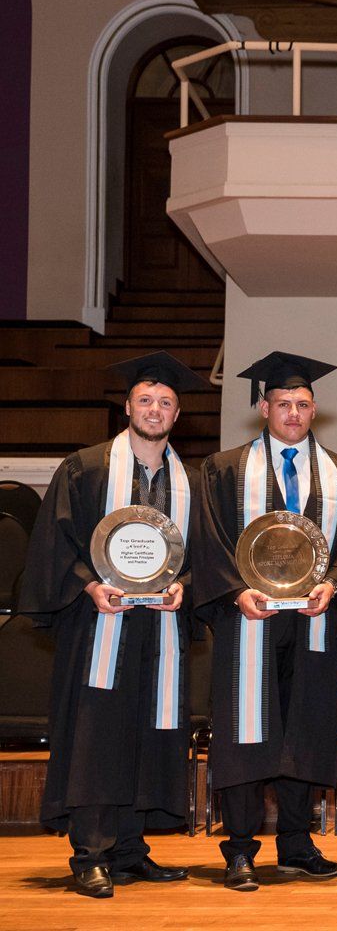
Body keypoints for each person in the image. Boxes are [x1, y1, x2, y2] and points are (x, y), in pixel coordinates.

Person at [18, 353, 207, 898]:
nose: (155, 409)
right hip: (101, 624)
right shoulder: (86, 467)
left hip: (159, 631)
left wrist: (185, 586)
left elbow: (205, 556)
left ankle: (129, 850)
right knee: (98, 735)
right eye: (145, 400)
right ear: (127, 407)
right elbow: (55, 541)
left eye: (165, 402)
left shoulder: (191, 481)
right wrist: (88, 584)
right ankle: (90, 853)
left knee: (148, 733)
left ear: (177, 414)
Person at [191, 351, 337, 891]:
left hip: (315, 619)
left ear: (315, 410)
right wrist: (236, 591)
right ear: (263, 407)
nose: (293, 412)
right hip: (249, 619)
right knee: (247, 731)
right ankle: (240, 849)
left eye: (303, 404)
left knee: (308, 728)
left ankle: (296, 843)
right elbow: (210, 540)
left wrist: (333, 582)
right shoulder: (223, 470)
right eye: (283, 403)